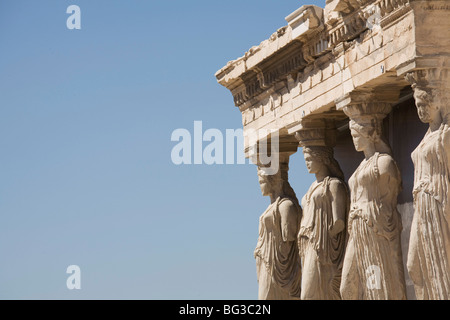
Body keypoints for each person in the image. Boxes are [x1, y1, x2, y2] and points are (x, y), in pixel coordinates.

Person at [340, 115, 406, 300]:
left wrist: (375, 218)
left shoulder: (384, 163)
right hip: (357, 229)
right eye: (352, 135)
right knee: (347, 286)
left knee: (377, 282)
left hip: (376, 227)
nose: (354, 139)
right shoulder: (360, 166)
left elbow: (391, 199)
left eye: (356, 134)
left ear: (368, 134)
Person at [407, 86, 450, 299]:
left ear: (436, 103)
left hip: (438, 199)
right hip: (420, 205)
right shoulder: (425, 137)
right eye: (417, 106)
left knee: (442, 261)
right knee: (414, 264)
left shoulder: (446, 134)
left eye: (424, 105)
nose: (420, 110)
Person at [298, 146, 349, 300]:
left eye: (309, 159)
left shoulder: (334, 185)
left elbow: (338, 221)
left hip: (322, 246)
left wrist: (322, 239)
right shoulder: (312, 187)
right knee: (308, 292)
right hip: (307, 245)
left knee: (309, 293)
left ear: (321, 158)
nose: (306, 163)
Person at [254, 155, 302, 300]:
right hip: (266, 263)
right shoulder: (272, 207)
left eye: (262, 181)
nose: (260, 184)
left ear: (273, 179)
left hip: (278, 267)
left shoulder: (286, 206)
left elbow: (289, 240)